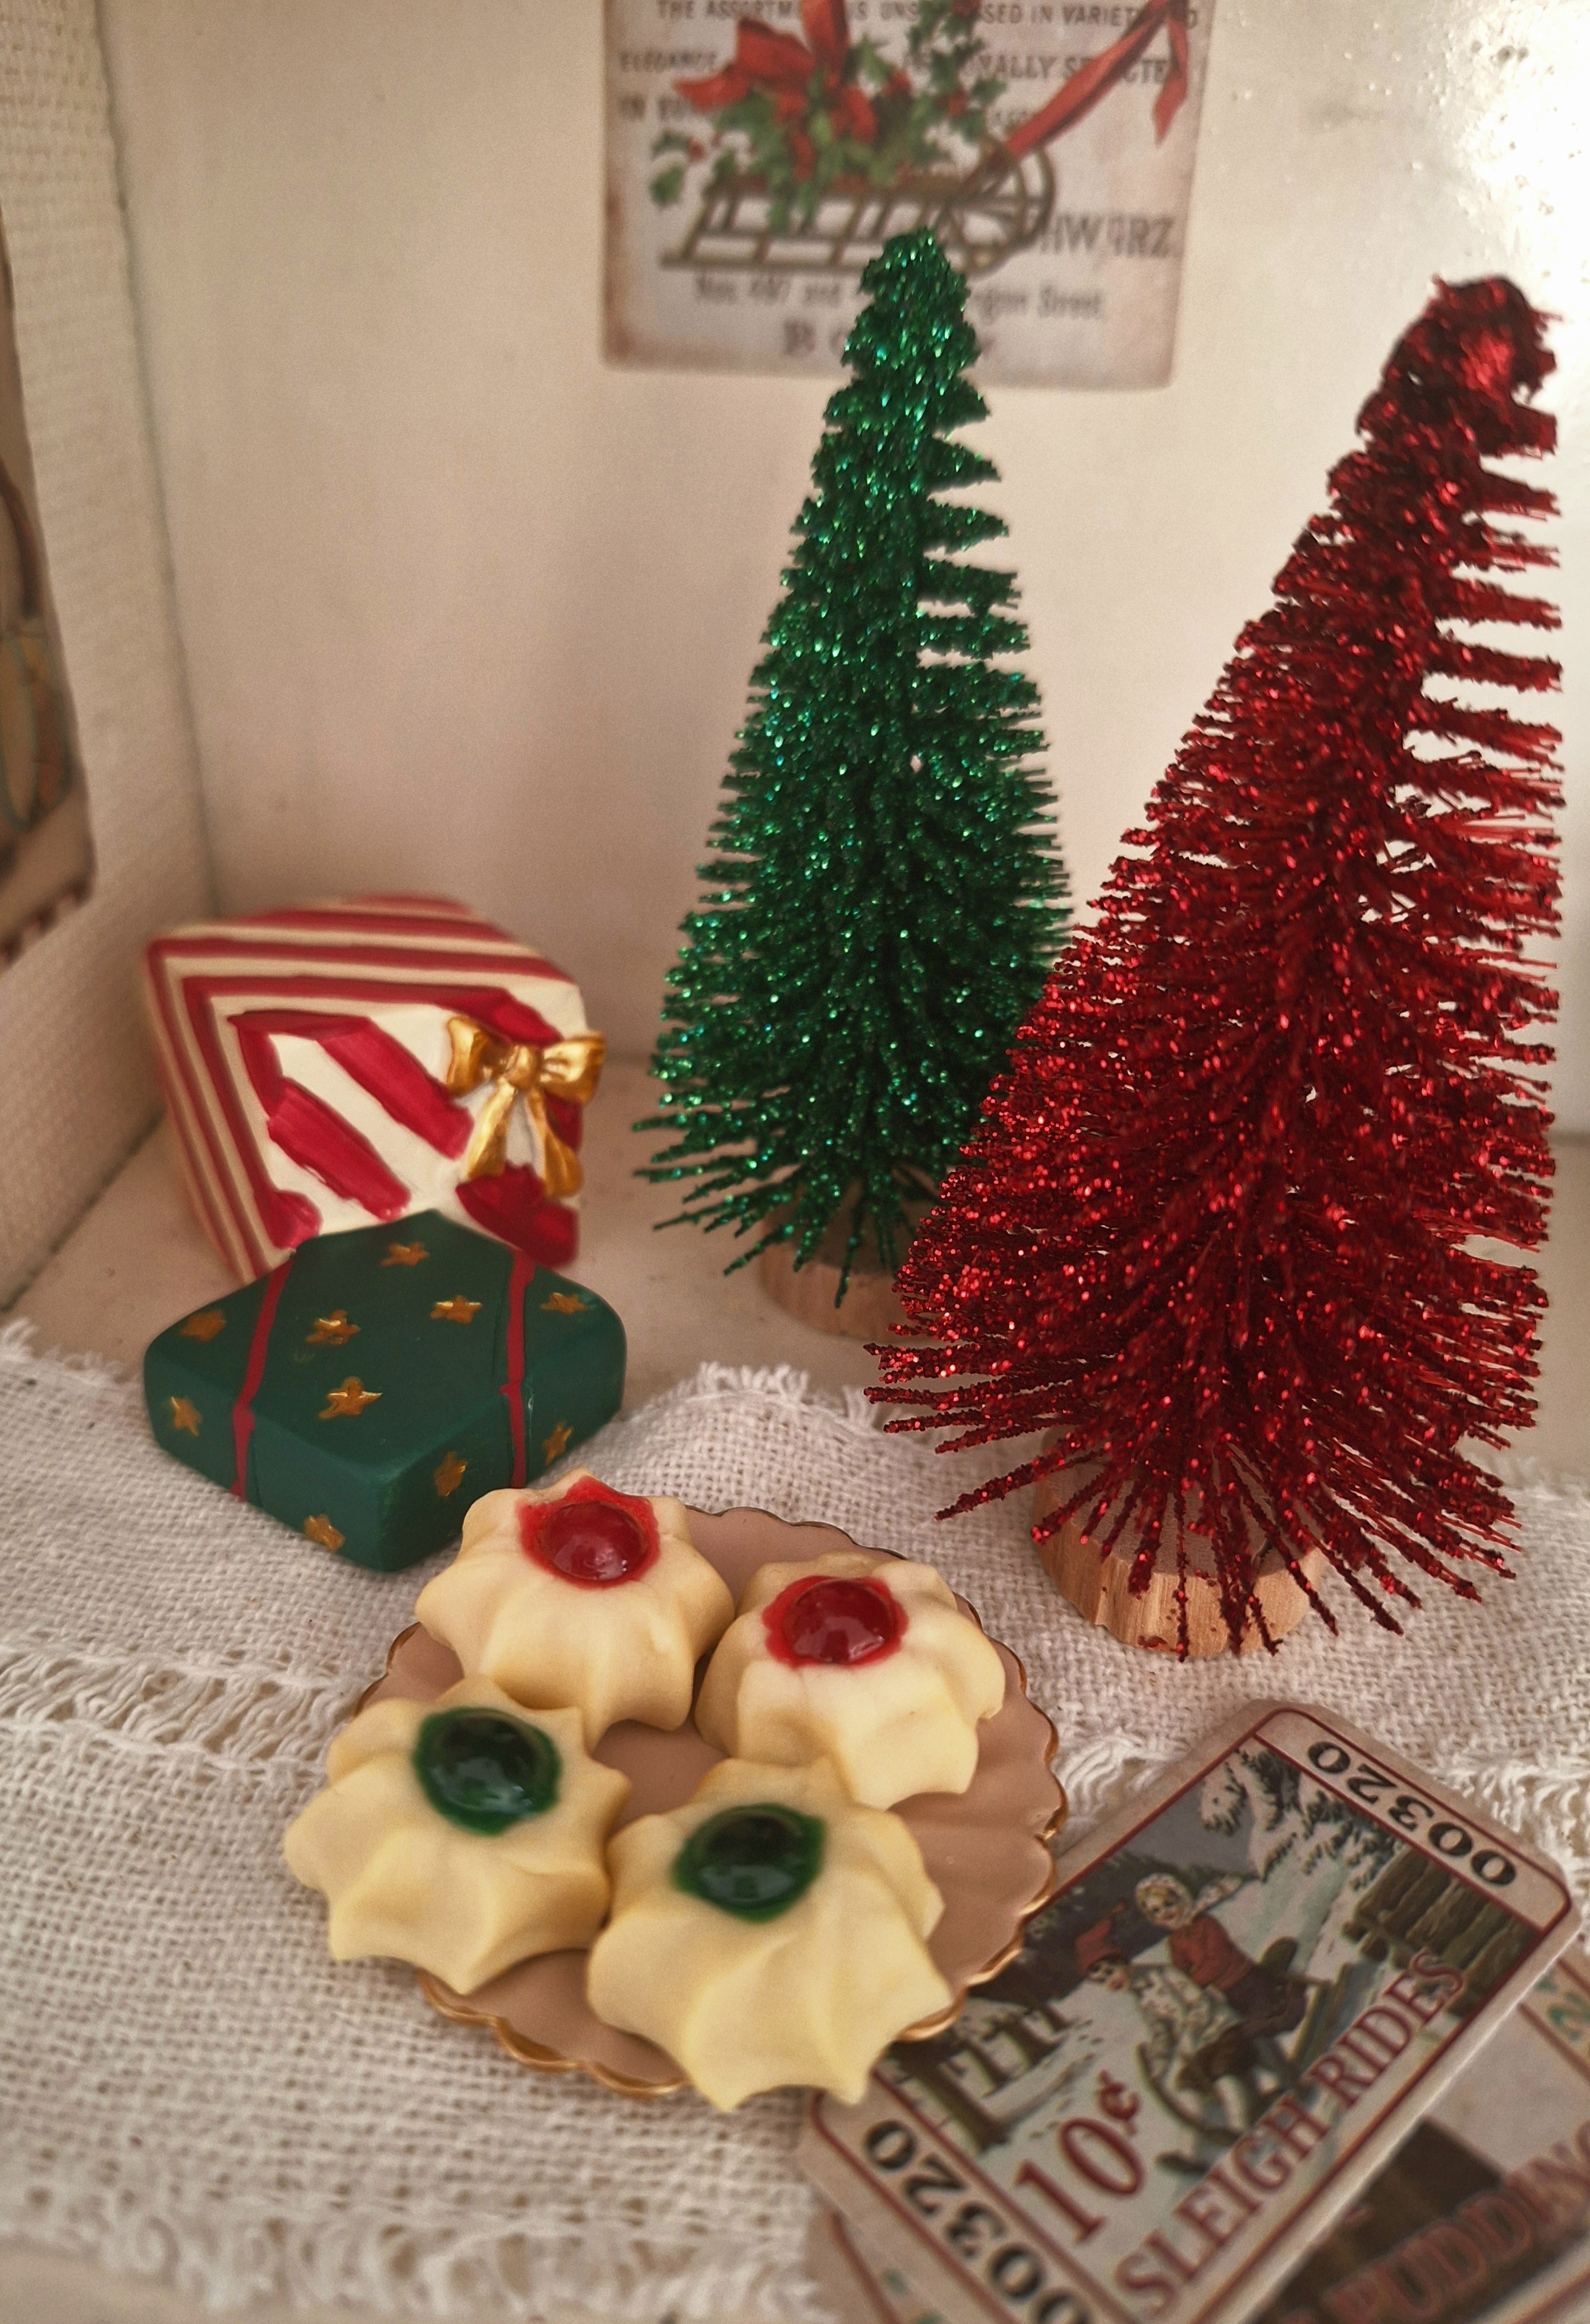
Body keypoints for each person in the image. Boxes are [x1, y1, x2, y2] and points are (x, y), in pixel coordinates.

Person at [1133, 1872, 1309, 2039]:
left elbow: (1218, 1960)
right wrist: (1184, 1986)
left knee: (1264, 2012)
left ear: (1182, 1899)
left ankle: (1293, 2000)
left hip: (1245, 1978)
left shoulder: (1206, 1923)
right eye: (1156, 1911)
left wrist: (1195, 1981)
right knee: (1240, 2025)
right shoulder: (1175, 1941)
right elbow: (1181, 1972)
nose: (1165, 1912)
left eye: (1169, 1904)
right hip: (1224, 1993)